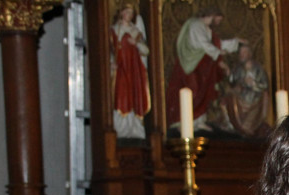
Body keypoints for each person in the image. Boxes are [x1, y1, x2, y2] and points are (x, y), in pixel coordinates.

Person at [166, 6, 246, 134]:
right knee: (194, 91)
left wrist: (236, 42)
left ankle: (199, 121)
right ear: (212, 16)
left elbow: (217, 43)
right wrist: (219, 53)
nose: (218, 23)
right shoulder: (196, 25)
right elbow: (205, 45)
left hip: (202, 66)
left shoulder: (206, 28)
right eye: (218, 20)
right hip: (192, 65)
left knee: (204, 91)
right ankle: (185, 122)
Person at [110, 4, 150, 140]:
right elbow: (110, 50)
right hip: (121, 68)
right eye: (127, 12)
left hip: (134, 69)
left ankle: (135, 128)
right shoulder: (114, 30)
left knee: (135, 96)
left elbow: (146, 51)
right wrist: (111, 63)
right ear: (121, 13)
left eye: (131, 13)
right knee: (121, 96)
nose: (129, 15)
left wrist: (136, 44)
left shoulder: (136, 31)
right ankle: (121, 129)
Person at [221, 44, 271, 138]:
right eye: (241, 53)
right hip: (241, 95)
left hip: (254, 97)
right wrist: (228, 72)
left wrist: (253, 84)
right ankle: (231, 124)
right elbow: (233, 80)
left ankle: (245, 128)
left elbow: (265, 86)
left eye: (244, 52)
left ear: (249, 54)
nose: (242, 55)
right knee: (226, 100)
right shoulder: (238, 68)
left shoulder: (258, 69)